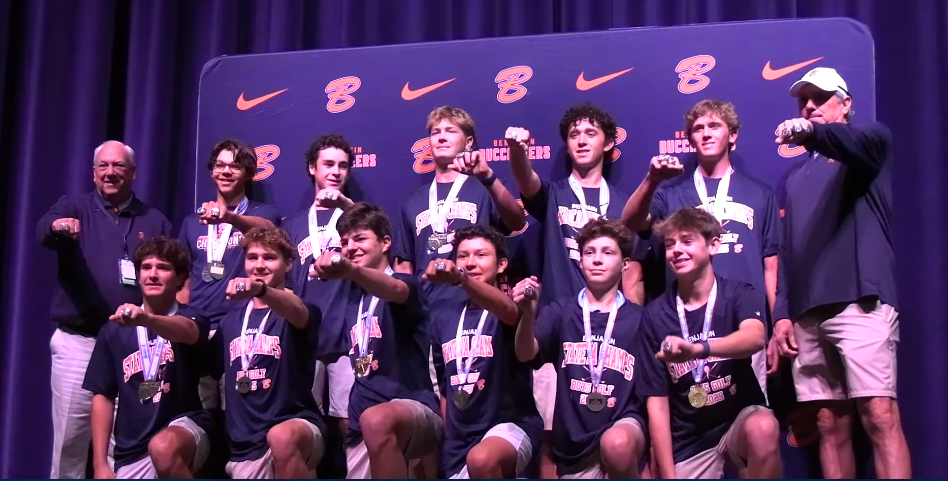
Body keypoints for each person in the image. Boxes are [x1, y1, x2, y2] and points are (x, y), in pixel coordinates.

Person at [771, 66, 910, 479]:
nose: (810, 106)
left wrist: (810, 132)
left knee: (879, 414)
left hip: (860, 302)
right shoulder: (793, 179)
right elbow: (788, 250)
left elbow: (846, 141)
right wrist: (782, 313)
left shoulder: (870, 143)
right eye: (804, 101)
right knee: (828, 424)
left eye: (821, 98)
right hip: (807, 314)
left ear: (846, 103)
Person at [507, 103, 646, 475]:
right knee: (552, 437)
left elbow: (634, 272)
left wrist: (633, 326)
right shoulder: (553, 193)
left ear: (608, 143)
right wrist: (517, 151)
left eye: (590, 133)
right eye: (574, 135)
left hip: (614, 336)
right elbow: (525, 180)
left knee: (618, 436)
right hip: (559, 332)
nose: (582, 141)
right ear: (566, 146)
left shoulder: (624, 204)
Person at [620, 99, 781, 400]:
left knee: (752, 411)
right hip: (685, 321)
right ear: (690, 139)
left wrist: (776, 324)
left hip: (744, 319)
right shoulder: (671, 194)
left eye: (714, 126)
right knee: (687, 412)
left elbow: (770, 266)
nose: (706, 133)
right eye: (698, 128)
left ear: (732, 135)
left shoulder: (760, 194)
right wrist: (652, 179)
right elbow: (630, 222)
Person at [38, 140, 173, 478]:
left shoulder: (153, 219)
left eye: (119, 166)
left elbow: (174, 274)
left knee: (123, 443)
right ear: (94, 172)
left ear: (133, 173)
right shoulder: (74, 207)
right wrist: (59, 226)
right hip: (79, 342)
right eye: (104, 166)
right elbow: (44, 230)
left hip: (130, 345)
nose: (110, 172)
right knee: (70, 442)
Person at [636, 207, 780, 479]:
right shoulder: (654, 315)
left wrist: (699, 349)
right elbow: (657, 404)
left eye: (687, 241)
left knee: (763, 427)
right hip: (691, 439)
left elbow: (754, 338)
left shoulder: (738, 294)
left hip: (738, 420)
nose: (677, 250)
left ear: (713, 245)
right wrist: (668, 476)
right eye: (670, 244)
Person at [312, 203, 442, 479]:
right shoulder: (350, 300)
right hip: (362, 421)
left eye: (360, 239)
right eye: (344, 242)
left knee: (377, 419)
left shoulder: (407, 284)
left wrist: (349, 269)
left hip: (412, 409)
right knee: (371, 421)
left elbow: (394, 289)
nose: (350, 248)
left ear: (385, 243)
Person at [512, 218, 648, 479]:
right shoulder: (561, 311)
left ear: (625, 264)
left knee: (617, 444)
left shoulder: (640, 319)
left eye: (608, 253)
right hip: (574, 443)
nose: (597, 260)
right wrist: (528, 314)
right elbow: (525, 353)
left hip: (623, 424)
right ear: (581, 261)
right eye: (589, 252)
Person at [82, 237, 212, 479]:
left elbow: (188, 332)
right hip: (131, 449)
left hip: (183, 428)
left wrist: (145, 319)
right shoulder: (113, 330)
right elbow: (103, 395)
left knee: (162, 448)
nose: (153, 274)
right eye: (146, 267)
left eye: (163, 268)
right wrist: (100, 464)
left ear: (180, 278)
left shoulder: (193, 316)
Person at [425, 225, 543, 479]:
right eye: (463, 256)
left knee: (481, 459)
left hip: (510, 426)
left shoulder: (510, 305)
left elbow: (510, 312)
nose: (470, 263)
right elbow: (446, 388)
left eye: (481, 255)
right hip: (459, 440)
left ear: (501, 265)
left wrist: (462, 279)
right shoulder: (444, 317)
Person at [209, 227, 325, 479]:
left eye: (269, 257)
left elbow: (297, 311)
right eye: (253, 257)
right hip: (245, 444)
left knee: (282, 437)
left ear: (288, 264)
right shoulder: (229, 322)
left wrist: (260, 290)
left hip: (296, 425)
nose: (259, 265)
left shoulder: (299, 310)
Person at [392, 105, 526, 304]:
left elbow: (517, 221)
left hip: (474, 304)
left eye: (450, 131)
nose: (441, 137)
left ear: (468, 142)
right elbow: (404, 266)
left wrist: (489, 179)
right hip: (426, 309)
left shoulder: (485, 187)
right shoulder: (412, 202)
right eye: (435, 132)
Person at [282, 133, 358, 436]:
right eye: (328, 164)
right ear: (312, 168)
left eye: (343, 165)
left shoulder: (356, 217)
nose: (335, 172)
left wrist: (346, 205)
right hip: (306, 338)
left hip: (347, 336)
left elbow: (375, 236)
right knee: (303, 424)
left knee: (348, 423)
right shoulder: (292, 225)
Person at [177, 138, 282, 330]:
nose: (226, 171)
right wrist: (182, 317)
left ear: (248, 174)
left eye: (235, 166)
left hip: (240, 322)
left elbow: (267, 229)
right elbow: (183, 279)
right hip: (198, 323)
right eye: (220, 165)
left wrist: (230, 218)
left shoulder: (263, 213)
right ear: (212, 172)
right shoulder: (192, 222)